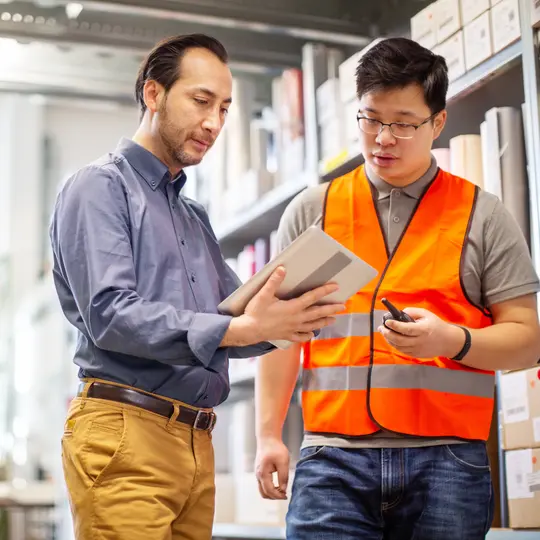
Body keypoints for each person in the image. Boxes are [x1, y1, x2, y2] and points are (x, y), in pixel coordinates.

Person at [49, 34, 343, 540]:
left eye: (225, 109)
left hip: (194, 439)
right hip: (126, 430)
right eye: (201, 101)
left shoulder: (191, 215)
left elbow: (230, 319)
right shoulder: (100, 187)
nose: (213, 123)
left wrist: (292, 312)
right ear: (153, 94)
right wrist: (242, 327)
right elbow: (112, 314)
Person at [254, 37, 540, 540]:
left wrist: (454, 341)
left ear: (437, 122)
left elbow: (528, 339)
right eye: (370, 119)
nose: (383, 138)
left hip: (447, 462)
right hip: (332, 458)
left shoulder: (483, 215)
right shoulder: (313, 210)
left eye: (403, 123)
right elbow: (280, 334)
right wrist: (267, 436)